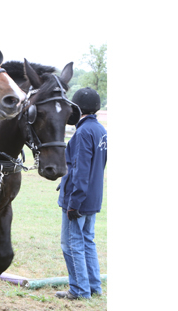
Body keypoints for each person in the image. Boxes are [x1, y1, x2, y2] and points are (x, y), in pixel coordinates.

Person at [55, 87, 107, 300]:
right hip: (93, 196)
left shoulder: (83, 132)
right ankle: (94, 286)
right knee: (87, 241)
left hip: (79, 199)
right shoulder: (100, 130)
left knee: (71, 243)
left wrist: (74, 202)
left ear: (76, 109)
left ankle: (78, 290)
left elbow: (81, 169)